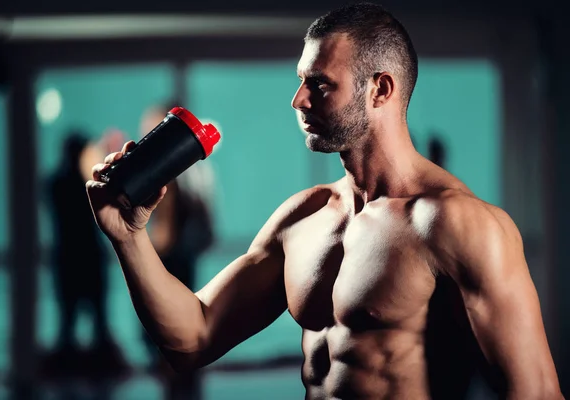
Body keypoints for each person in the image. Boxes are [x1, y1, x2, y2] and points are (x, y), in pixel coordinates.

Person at [86, 2, 563, 398]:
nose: (298, 100)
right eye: (300, 80)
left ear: (380, 89)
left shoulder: (457, 225)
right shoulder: (305, 217)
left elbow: (536, 393)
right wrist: (129, 237)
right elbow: (193, 337)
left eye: (319, 84)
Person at [139, 103, 216, 400]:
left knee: (176, 331)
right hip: (166, 255)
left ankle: (179, 381)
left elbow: (200, 217)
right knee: (162, 332)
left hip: (177, 257)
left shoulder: (188, 171)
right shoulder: (167, 170)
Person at [45, 132, 129, 381]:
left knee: (68, 323)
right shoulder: (84, 186)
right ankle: (100, 377)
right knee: (98, 322)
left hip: (67, 261)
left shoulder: (55, 184)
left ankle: (68, 376)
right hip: (89, 260)